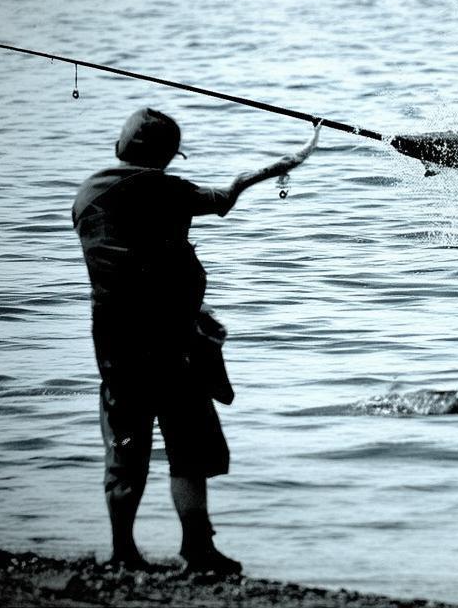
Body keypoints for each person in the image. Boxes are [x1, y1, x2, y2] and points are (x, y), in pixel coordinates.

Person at [72, 107, 320, 574]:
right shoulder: (166, 189)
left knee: (126, 446)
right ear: (168, 157)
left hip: (113, 341)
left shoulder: (87, 193)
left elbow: (129, 254)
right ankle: (197, 548)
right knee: (190, 444)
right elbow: (224, 198)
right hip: (170, 342)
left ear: (119, 148)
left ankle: (123, 551)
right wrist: (274, 167)